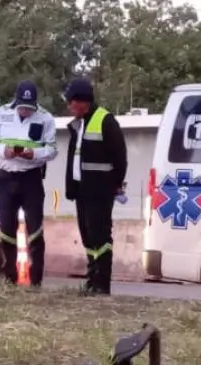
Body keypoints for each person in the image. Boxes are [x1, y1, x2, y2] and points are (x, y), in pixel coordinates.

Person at [0, 80, 58, 287]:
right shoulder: (2, 113)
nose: (25, 111)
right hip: (5, 177)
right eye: (22, 107)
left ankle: (35, 280)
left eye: (29, 108)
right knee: (7, 228)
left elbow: (52, 150)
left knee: (35, 229)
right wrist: (3, 151)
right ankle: (9, 277)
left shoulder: (46, 119)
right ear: (16, 102)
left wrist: (34, 154)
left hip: (31, 176)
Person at [63, 78, 127, 296]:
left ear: (83, 102)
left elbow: (120, 157)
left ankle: (102, 284)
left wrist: (114, 184)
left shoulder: (105, 120)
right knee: (87, 236)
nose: (69, 107)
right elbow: (75, 158)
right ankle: (92, 280)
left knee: (101, 237)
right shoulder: (78, 124)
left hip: (100, 191)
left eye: (72, 102)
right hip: (82, 191)